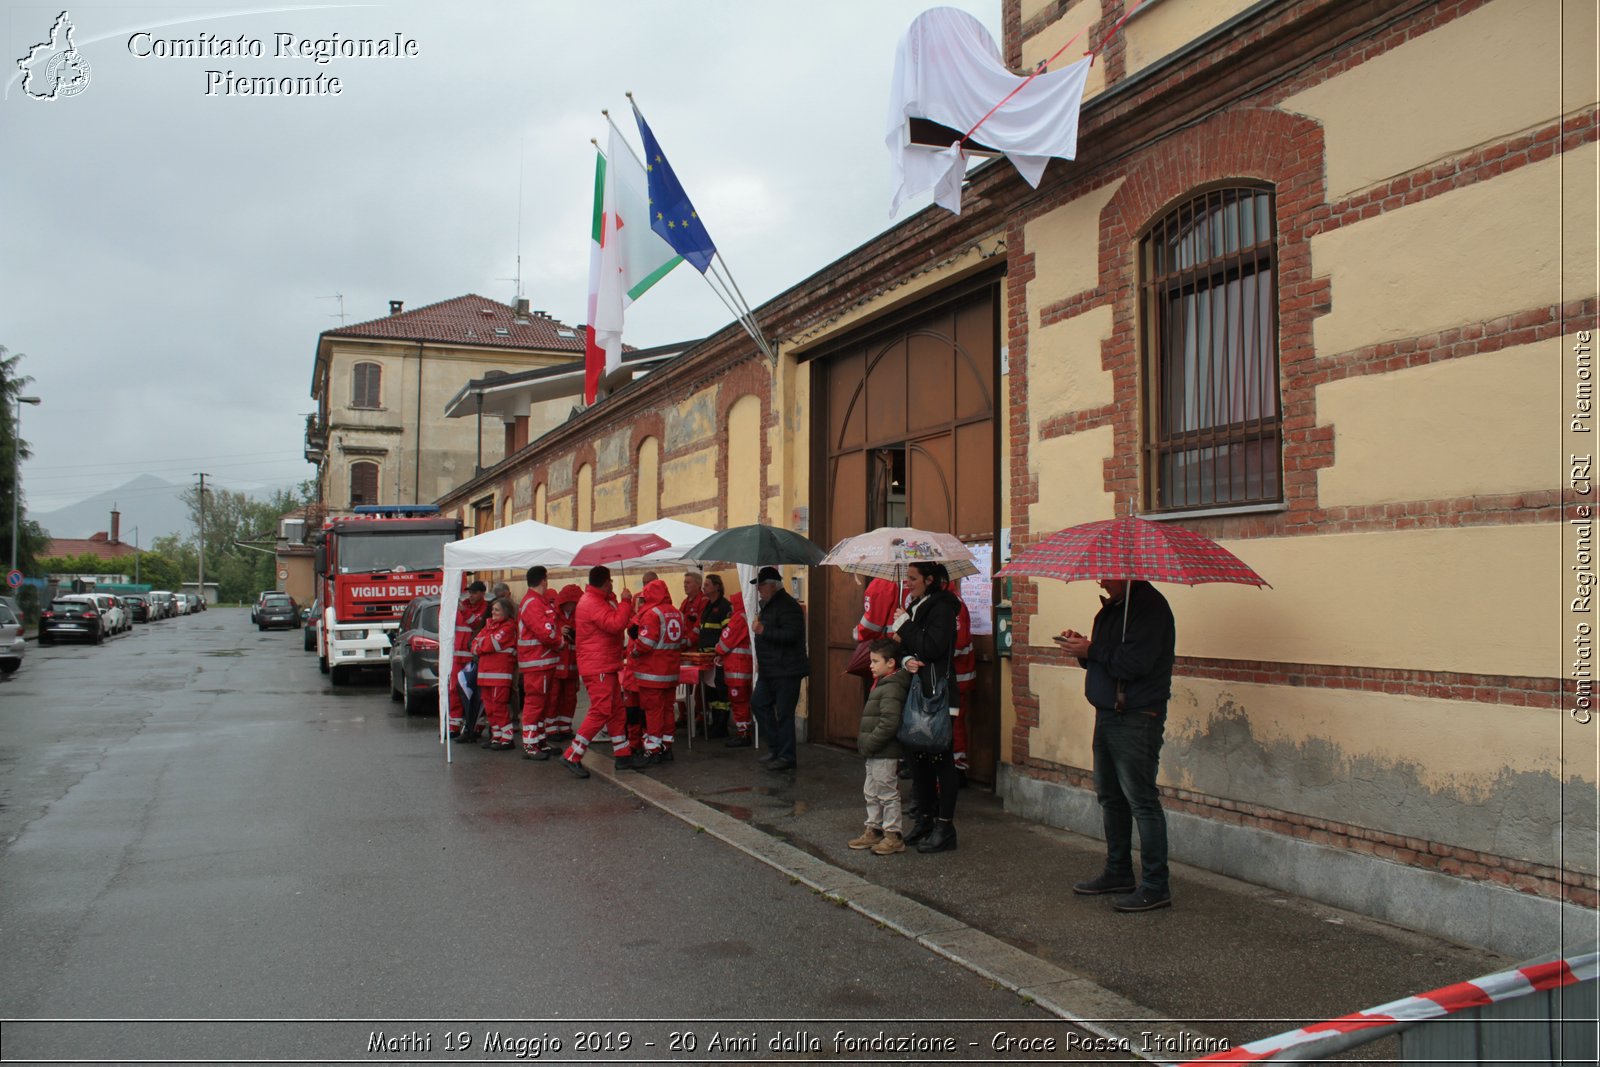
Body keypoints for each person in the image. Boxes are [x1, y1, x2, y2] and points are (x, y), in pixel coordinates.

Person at [1056, 579, 1177, 912]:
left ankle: (1155, 885)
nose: (1099, 580)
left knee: (1141, 800)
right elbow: (1108, 659)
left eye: (1104, 574)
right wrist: (1082, 647)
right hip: (1109, 712)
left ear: (1123, 571)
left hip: (1137, 715)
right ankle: (1118, 871)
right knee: (1110, 796)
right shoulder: (1114, 607)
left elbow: (1135, 664)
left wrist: (1091, 650)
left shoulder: (1149, 607)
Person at [895, 561, 962, 853]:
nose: (908, 582)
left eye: (913, 578)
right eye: (907, 578)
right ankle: (925, 819)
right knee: (916, 757)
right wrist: (904, 660)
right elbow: (904, 646)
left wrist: (905, 626)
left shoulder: (942, 608)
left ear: (930, 579)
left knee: (941, 759)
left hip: (938, 693)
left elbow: (933, 647)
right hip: (917, 690)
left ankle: (945, 826)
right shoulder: (917, 605)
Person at [560, 566, 636, 778]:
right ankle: (572, 754)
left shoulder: (598, 599)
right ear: (606, 582)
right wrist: (626, 602)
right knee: (601, 710)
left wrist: (620, 603)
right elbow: (615, 624)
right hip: (598, 665)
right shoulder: (592, 602)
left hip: (606, 663)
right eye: (610, 581)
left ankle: (623, 754)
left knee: (616, 710)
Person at [850, 637, 910, 856]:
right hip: (875, 750)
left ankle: (893, 835)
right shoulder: (883, 683)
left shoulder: (892, 687)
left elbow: (889, 722)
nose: (871, 665)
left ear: (891, 663)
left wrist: (869, 742)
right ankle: (873, 829)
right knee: (872, 791)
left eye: (875, 661)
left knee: (886, 792)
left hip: (884, 750)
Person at [750, 566, 807, 772]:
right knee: (758, 703)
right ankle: (776, 748)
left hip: (787, 669)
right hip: (769, 668)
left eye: (762, 585)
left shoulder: (788, 606)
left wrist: (764, 630)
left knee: (784, 714)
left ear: (773, 586)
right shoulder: (768, 605)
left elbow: (791, 635)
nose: (758, 589)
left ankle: (786, 756)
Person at [630, 578, 687, 766]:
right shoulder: (677, 613)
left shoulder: (651, 614)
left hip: (652, 673)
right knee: (668, 709)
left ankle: (652, 750)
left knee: (653, 712)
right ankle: (666, 747)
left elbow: (646, 643)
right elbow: (682, 640)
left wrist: (634, 651)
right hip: (671, 671)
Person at [516, 566, 563, 760]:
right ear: (544, 580)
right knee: (535, 704)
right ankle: (530, 744)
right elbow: (546, 632)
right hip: (537, 661)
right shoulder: (533, 603)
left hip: (543, 661)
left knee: (542, 704)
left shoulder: (537, 601)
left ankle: (539, 740)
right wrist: (560, 640)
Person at [470, 596, 519, 750]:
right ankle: (496, 737)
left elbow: (491, 644)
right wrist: (482, 645)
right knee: (489, 708)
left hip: (500, 675)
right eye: (492, 610)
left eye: (497, 610)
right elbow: (474, 645)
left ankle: (507, 738)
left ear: (506, 611)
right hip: (485, 675)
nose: (493, 612)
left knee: (499, 707)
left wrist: (482, 645)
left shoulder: (509, 627)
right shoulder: (488, 626)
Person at [448, 580, 489, 740]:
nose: (470, 596)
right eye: (469, 592)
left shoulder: (485, 608)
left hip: (474, 658)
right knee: (455, 692)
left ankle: (476, 725)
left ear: (482, 593)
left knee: (476, 694)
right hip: (457, 658)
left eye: (474, 592)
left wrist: (464, 611)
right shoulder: (460, 607)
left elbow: (477, 624)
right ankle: (454, 725)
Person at [714, 591, 755, 747]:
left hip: (737, 668)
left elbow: (726, 640)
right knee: (743, 700)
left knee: (739, 701)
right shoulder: (748, 616)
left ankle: (743, 734)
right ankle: (744, 731)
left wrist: (718, 651)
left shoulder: (739, 618)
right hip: (744, 667)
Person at [549, 584, 583, 740]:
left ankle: (564, 727)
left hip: (573, 665)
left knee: (570, 697)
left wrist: (575, 633)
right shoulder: (553, 615)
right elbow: (546, 633)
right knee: (553, 697)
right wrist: (559, 631)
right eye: (570, 602)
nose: (572, 605)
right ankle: (550, 728)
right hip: (557, 665)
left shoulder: (580, 614)